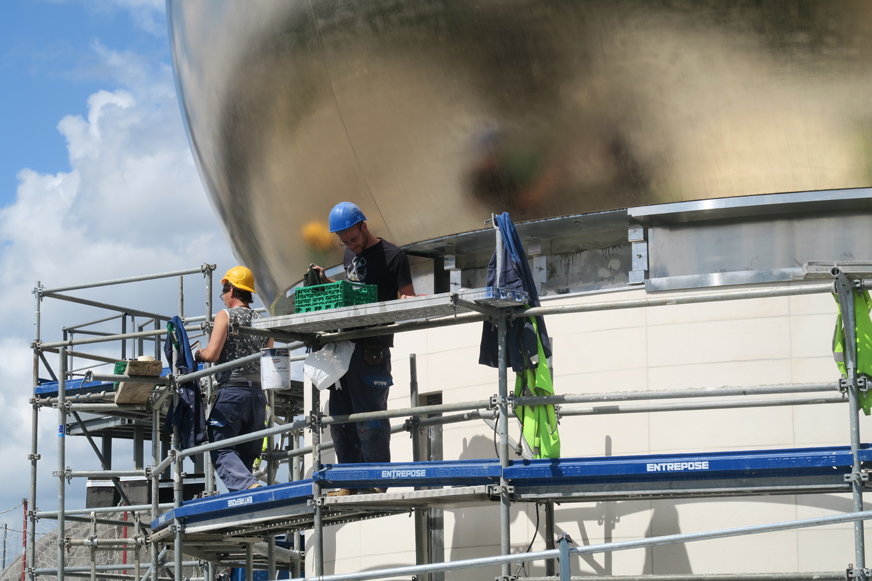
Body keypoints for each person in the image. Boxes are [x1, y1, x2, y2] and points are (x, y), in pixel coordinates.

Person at [311, 202, 415, 494]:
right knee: (340, 420)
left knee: (369, 417)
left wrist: (406, 303)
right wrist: (327, 282)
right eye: (344, 242)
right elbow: (352, 293)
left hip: (372, 348)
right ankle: (349, 481)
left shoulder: (394, 256)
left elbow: (407, 297)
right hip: (345, 348)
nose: (350, 246)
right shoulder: (348, 254)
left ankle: (376, 480)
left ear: (364, 227)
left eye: (353, 239)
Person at [194, 265, 273, 492]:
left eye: (224, 292)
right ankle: (248, 491)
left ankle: (248, 486)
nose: (224, 298)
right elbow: (269, 361)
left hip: (232, 393)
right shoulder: (263, 320)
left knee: (221, 445)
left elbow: (212, 354)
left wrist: (196, 354)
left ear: (231, 290)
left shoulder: (225, 316)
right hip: (258, 396)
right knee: (247, 452)